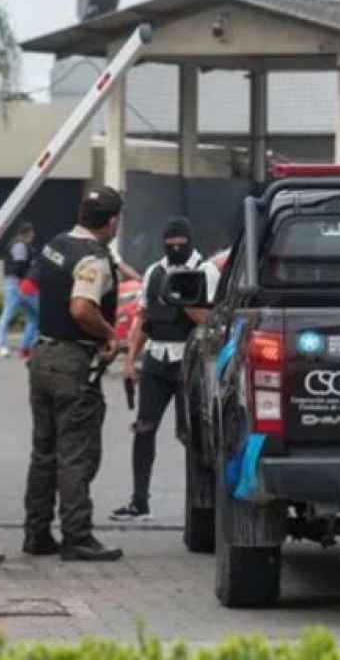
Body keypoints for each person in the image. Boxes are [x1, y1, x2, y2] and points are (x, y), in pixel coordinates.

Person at [22, 186, 128, 562]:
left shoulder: (58, 243)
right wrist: (109, 333)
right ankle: (77, 536)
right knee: (75, 454)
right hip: (72, 363)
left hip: (43, 355)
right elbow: (82, 308)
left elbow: (40, 285)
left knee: (44, 451)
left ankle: (36, 533)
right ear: (112, 222)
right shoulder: (93, 259)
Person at [113, 217, 221, 522]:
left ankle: (202, 508)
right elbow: (144, 319)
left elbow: (212, 321)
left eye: (180, 244)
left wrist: (185, 301)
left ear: (190, 241)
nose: (175, 249)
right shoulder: (154, 271)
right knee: (144, 429)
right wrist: (130, 360)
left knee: (194, 436)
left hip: (190, 361)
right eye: (169, 244)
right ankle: (139, 501)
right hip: (156, 360)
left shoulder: (206, 271)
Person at [0, 222, 40, 359]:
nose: (33, 235)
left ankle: (23, 348)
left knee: (34, 317)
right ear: (28, 233)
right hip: (19, 283)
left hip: (17, 283)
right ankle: (4, 346)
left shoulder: (18, 244)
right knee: (10, 314)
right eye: (32, 233)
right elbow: (19, 266)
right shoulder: (20, 245)